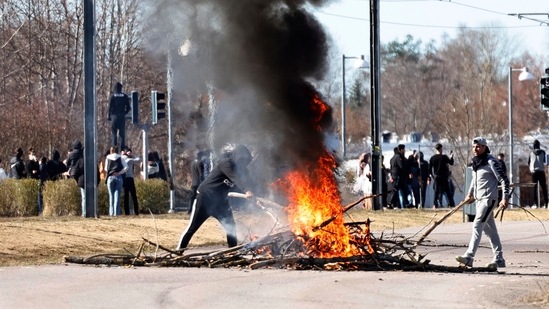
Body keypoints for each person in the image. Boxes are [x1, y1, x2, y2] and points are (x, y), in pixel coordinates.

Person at [176, 145, 255, 251]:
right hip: (205, 198)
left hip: (220, 202)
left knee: (230, 226)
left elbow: (248, 182)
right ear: (237, 157)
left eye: (246, 162)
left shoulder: (242, 171)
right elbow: (236, 179)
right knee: (192, 228)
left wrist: (255, 196)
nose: (243, 164)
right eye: (242, 160)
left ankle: (232, 252)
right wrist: (246, 190)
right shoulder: (226, 163)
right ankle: (179, 250)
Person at [456, 137, 509, 269]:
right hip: (479, 200)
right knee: (490, 231)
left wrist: (505, 197)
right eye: (474, 147)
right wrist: (470, 194)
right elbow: (474, 181)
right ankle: (499, 259)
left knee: (477, 224)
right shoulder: (476, 163)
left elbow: (504, 179)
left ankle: (469, 257)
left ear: (484, 147)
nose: (475, 149)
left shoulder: (491, 161)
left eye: (478, 146)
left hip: (488, 199)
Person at [429, 143, 455, 208]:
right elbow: (451, 163)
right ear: (440, 149)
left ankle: (435, 204)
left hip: (437, 176)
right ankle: (451, 204)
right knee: (447, 191)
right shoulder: (444, 157)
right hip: (444, 176)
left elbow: (429, 169)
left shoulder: (432, 158)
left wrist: (432, 176)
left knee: (436, 191)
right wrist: (451, 157)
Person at [104, 146, 128, 216]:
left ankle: (111, 213)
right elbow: (126, 167)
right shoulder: (121, 157)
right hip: (118, 177)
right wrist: (120, 172)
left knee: (111, 196)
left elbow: (106, 169)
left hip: (110, 177)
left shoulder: (108, 157)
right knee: (117, 196)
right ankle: (116, 213)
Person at [108, 82, 131, 150]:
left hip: (114, 117)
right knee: (122, 135)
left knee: (114, 134)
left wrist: (109, 116)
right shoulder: (124, 96)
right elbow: (128, 108)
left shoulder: (112, 96)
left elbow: (109, 107)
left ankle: (114, 149)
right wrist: (124, 113)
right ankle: (122, 149)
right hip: (121, 117)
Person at [66, 140, 86, 216]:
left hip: (73, 172)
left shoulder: (71, 154)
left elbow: (67, 163)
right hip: (81, 171)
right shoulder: (81, 153)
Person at [188, 150, 211, 214]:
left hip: (193, 183)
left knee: (192, 197)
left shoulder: (193, 163)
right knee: (201, 197)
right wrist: (203, 182)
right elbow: (201, 174)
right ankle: (201, 210)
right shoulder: (200, 163)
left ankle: (190, 209)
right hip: (199, 183)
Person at [528, 139, 547, 208]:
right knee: (544, 188)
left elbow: (529, 162)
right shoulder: (543, 152)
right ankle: (546, 204)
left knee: (534, 189)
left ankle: (535, 204)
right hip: (541, 171)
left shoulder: (531, 153)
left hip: (534, 172)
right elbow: (545, 161)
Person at [389, 144, 409, 209]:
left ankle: (405, 203)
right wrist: (406, 172)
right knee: (396, 190)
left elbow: (391, 168)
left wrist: (391, 175)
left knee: (400, 190)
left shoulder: (392, 158)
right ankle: (390, 203)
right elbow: (401, 167)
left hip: (394, 176)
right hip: (398, 177)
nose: (404, 151)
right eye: (404, 150)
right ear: (401, 150)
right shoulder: (398, 157)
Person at [122, 147, 140, 215]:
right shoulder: (128, 160)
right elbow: (138, 160)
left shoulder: (121, 158)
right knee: (133, 195)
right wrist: (132, 156)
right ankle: (136, 211)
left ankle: (126, 212)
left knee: (126, 196)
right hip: (129, 178)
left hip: (124, 178)